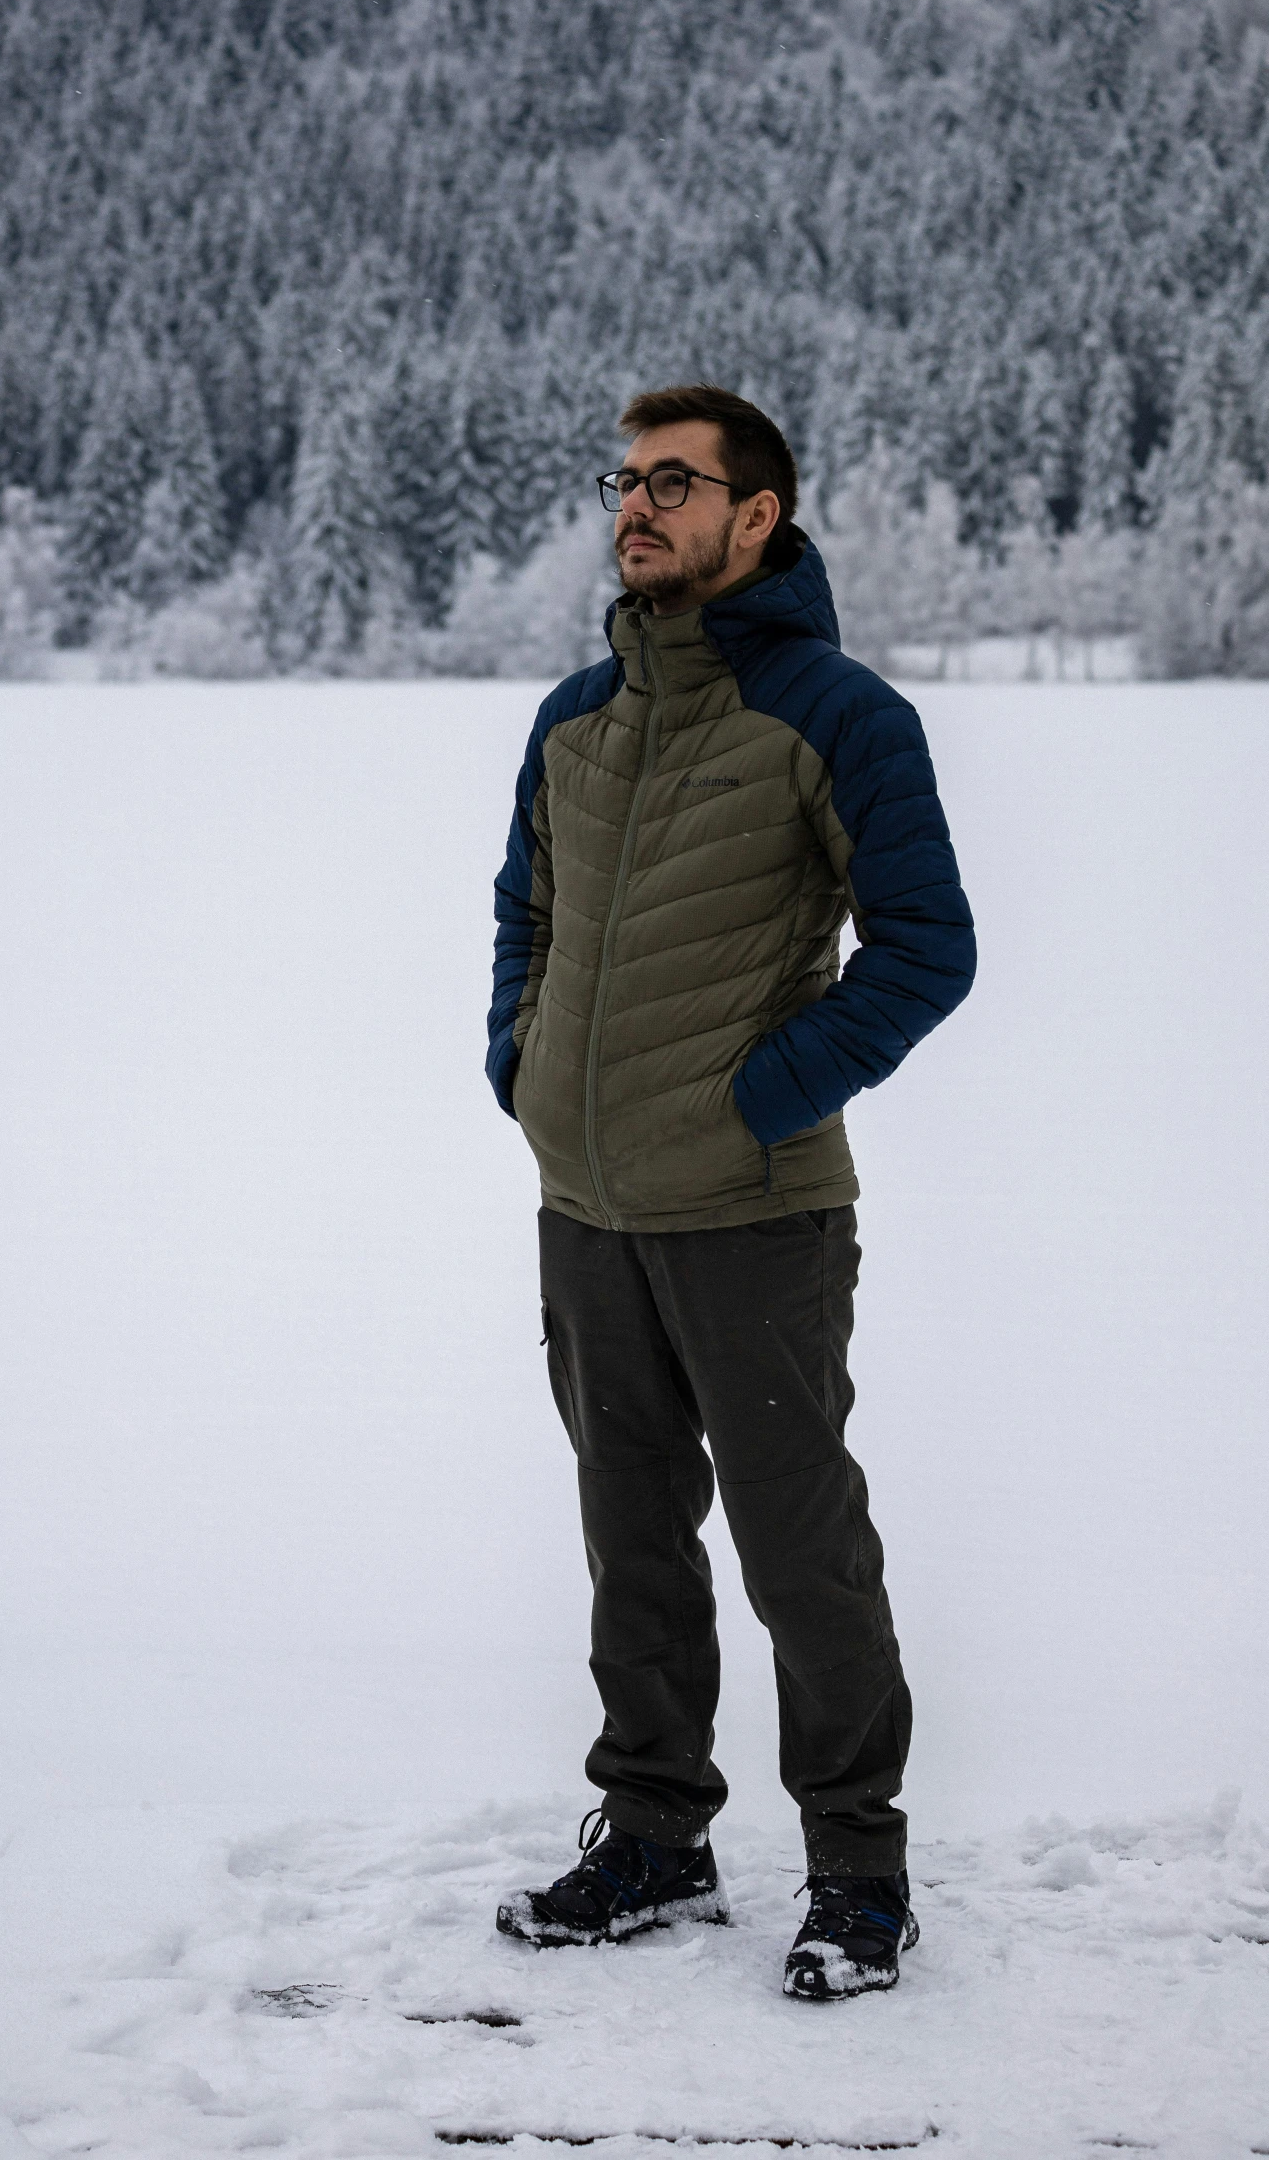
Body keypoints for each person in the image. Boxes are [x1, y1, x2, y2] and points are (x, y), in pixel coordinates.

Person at [486, 385, 975, 2000]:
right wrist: (523, 1064)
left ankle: (855, 1864)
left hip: (755, 1213)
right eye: (625, 480)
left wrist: (754, 1095)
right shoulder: (573, 715)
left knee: (797, 1546)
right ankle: (652, 1835)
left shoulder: (839, 716)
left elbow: (925, 952)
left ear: (754, 516)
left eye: (673, 482)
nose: (635, 505)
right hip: (588, 1210)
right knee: (631, 1533)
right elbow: (526, 920)